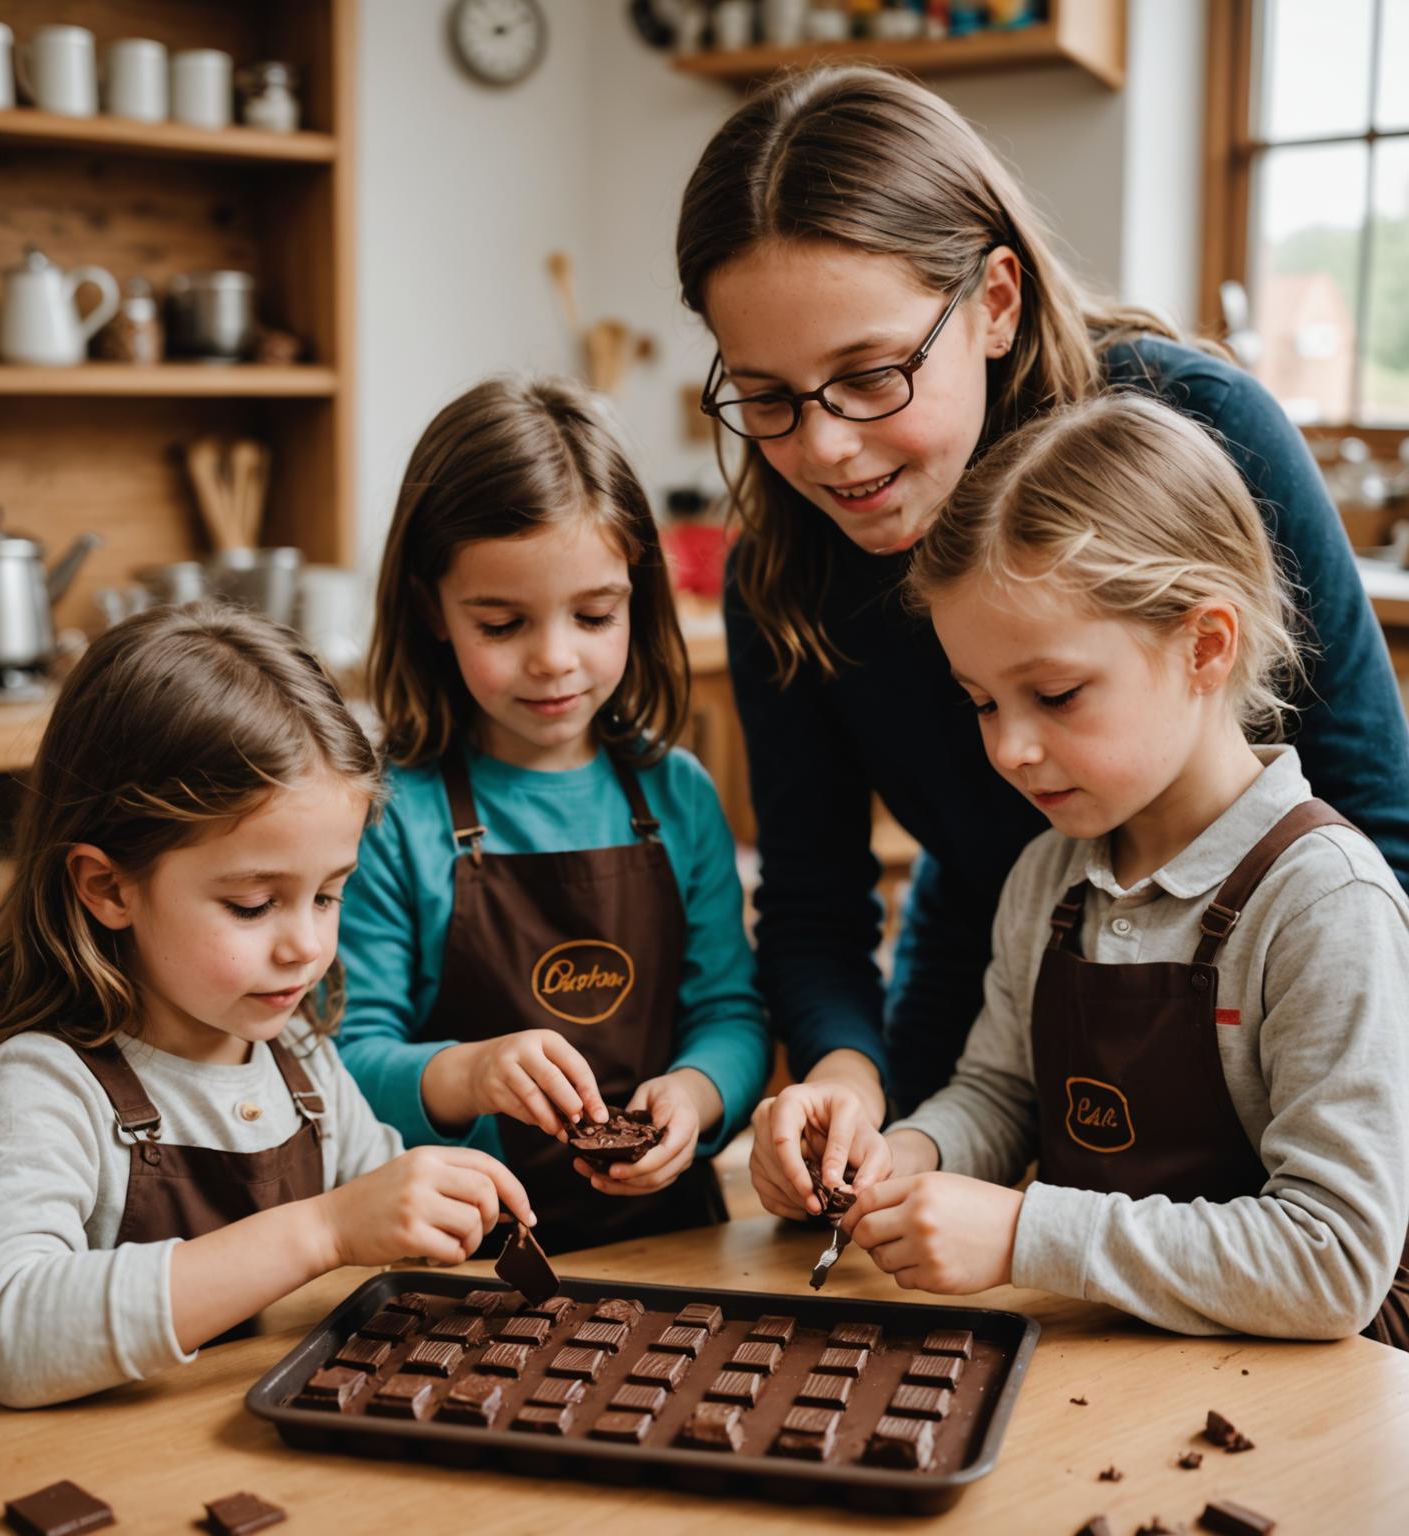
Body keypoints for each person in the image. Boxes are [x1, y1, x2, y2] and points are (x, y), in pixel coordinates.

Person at [675, 66, 1409, 1209]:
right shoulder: (781, 567)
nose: (821, 450)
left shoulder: (1200, 432)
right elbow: (818, 902)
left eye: (869, 376)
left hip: (1265, 1018)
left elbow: (1380, 825)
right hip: (1001, 981)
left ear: (996, 303)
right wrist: (850, 1082)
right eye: (766, 397)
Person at [784, 395, 1409, 1342]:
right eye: (983, 703)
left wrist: (1028, 1233)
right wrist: (903, 1153)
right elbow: (999, 1096)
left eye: (1056, 694)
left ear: (1204, 646)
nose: (1010, 751)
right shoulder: (1046, 878)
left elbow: (1332, 1263)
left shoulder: (1325, 902)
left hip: (1311, 1399)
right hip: (1112, 1366)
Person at [0, 604, 533, 1410]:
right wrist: (322, 1230)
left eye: (329, 895)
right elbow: (8, 1336)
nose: (305, 946)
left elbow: (375, 1236)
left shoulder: (304, 1064)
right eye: (254, 904)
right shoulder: (45, 1087)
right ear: (110, 887)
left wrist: (430, 1206)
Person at [336, 375, 770, 1257]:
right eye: (502, 623)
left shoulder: (677, 795)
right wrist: (467, 1073)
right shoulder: (393, 815)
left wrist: (693, 1096)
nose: (555, 660)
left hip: (672, 1241)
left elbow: (731, 1015)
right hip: (464, 1259)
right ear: (432, 609)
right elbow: (344, 1061)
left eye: (595, 614)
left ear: (636, 596)